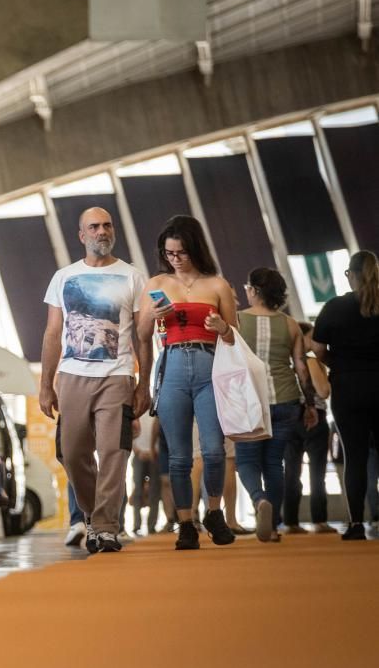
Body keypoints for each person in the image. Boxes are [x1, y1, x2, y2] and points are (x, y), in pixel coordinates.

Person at [40, 207, 150, 554]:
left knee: (114, 452)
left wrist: (143, 383)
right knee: (72, 454)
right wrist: (45, 384)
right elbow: (53, 333)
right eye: (94, 227)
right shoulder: (63, 277)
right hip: (72, 377)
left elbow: (142, 338)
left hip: (116, 377)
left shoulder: (132, 276)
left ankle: (105, 527)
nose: (102, 231)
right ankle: (90, 515)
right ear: (81, 235)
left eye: (107, 225)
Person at [138, 215, 239, 551]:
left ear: (194, 248)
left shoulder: (217, 285)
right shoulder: (156, 283)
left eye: (180, 252)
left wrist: (222, 328)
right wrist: (153, 318)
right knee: (178, 457)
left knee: (214, 450)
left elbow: (235, 338)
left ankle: (213, 512)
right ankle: (184, 523)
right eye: (169, 253)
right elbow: (140, 335)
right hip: (173, 366)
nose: (175, 259)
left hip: (211, 367)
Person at [232, 268, 318, 542]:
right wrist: (310, 404)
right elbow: (301, 367)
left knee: (246, 459)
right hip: (285, 400)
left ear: (255, 290)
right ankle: (275, 522)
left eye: (248, 286)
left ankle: (259, 502)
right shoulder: (291, 324)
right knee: (273, 463)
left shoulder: (237, 321)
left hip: (249, 401)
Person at [308, 250, 379, 540]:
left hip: (347, 387)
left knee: (356, 456)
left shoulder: (335, 307)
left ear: (351, 275)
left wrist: (338, 364)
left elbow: (317, 347)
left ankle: (356, 525)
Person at [282, 321, 334, 534]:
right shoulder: (310, 361)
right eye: (311, 337)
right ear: (300, 339)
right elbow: (323, 392)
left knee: (291, 472)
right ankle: (319, 520)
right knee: (317, 471)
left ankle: (291, 522)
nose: (314, 342)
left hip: (288, 416)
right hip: (314, 417)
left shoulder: (283, 362)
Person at [129, 413, 162, 534]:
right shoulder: (136, 409)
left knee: (155, 492)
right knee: (137, 490)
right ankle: (136, 525)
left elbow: (159, 432)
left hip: (155, 455)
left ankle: (151, 525)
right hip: (139, 455)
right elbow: (131, 431)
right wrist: (136, 451)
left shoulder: (156, 408)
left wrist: (154, 451)